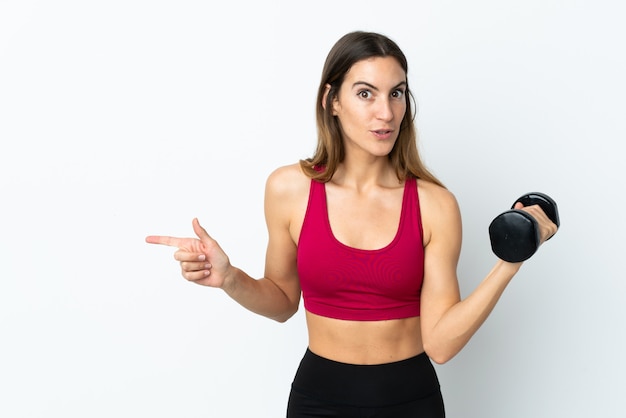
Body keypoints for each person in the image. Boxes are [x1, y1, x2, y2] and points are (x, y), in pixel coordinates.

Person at [146, 31, 558, 417]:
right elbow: (283, 302)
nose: (386, 112)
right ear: (332, 100)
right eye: (366, 94)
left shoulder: (434, 205)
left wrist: (511, 260)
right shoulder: (289, 189)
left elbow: (441, 344)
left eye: (397, 94)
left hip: (410, 400)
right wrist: (230, 278)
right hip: (318, 398)